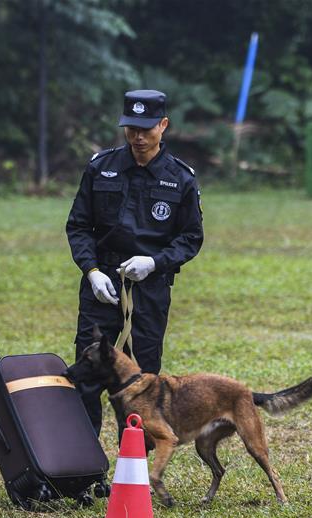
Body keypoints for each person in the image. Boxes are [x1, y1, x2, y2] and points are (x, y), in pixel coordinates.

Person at [66, 89, 204, 492]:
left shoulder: (180, 177)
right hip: (103, 286)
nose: (138, 137)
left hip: (149, 290)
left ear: (163, 125)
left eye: (146, 129)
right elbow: (78, 226)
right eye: (131, 129)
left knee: (142, 383)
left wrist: (156, 262)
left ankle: (131, 471)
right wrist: (91, 270)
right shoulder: (101, 168)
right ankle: (85, 472)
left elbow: (190, 238)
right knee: (87, 375)